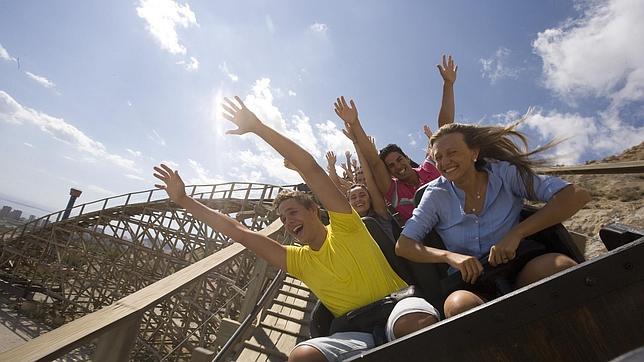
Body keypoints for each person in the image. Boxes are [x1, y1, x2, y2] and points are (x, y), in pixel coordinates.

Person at [154, 96, 439, 362]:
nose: (288, 222)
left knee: (414, 326)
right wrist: (184, 200)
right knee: (302, 356)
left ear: (314, 210)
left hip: (397, 307)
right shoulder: (297, 260)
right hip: (355, 330)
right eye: (283, 217)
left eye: (293, 212)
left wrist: (257, 127)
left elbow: (310, 168)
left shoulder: (347, 225)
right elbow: (238, 231)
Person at [395, 122, 591, 318]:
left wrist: (516, 234)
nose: (445, 162)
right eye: (438, 157)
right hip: (473, 283)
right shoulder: (435, 195)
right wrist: (450, 257)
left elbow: (575, 195)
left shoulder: (504, 172)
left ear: (474, 153)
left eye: (452, 152)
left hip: (521, 263)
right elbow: (404, 245)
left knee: (560, 268)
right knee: (459, 307)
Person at [334, 55, 458, 223]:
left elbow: (445, 131)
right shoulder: (393, 189)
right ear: (389, 172)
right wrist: (355, 124)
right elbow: (373, 161)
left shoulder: (430, 168)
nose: (398, 166)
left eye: (399, 160)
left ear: (407, 158)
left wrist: (448, 84)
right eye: (391, 166)